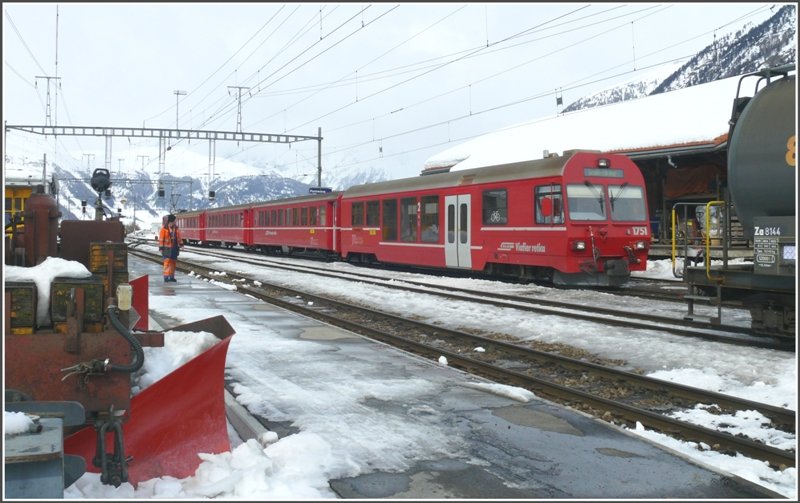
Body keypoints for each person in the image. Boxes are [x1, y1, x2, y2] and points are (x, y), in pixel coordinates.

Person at [158, 214, 183, 283]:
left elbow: (179, 237)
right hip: (166, 249)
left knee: (173, 263)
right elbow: (161, 239)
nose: (175, 222)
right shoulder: (164, 229)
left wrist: (181, 243)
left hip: (174, 248)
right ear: (171, 221)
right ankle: (166, 277)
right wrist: (161, 247)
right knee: (167, 263)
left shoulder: (176, 229)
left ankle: (171, 277)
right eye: (175, 221)